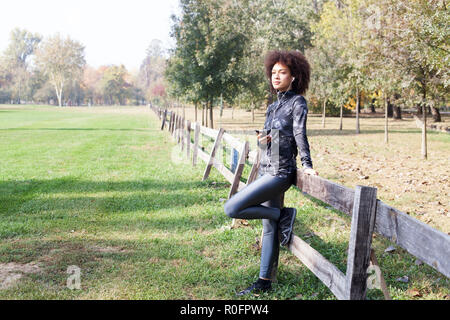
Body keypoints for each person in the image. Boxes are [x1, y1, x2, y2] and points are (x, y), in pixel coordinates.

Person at [224, 50, 318, 296]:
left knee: (231, 208)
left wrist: (307, 164)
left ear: (294, 76)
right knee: (268, 227)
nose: (276, 77)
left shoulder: (298, 103)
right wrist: (262, 141)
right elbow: (269, 143)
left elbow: (299, 135)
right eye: (273, 72)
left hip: (281, 172)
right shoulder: (271, 107)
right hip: (267, 167)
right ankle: (264, 281)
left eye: (282, 73)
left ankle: (281, 214)